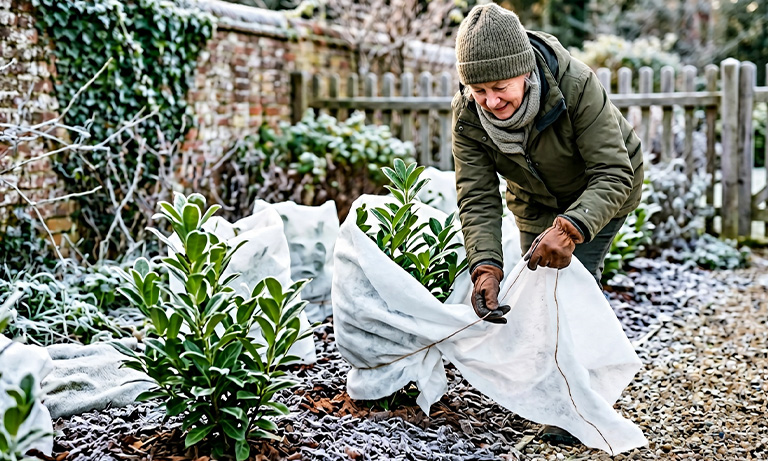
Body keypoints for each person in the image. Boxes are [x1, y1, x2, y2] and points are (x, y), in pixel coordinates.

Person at [451, 3, 644, 445]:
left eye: (500, 87)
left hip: (602, 190)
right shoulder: (467, 116)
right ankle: (548, 388)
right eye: (478, 90)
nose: (491, 101)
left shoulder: (575, 85)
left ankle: (579, 405)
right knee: (536, 296)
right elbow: (477, 198)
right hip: (535, 201)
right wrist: (485, 267)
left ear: (525, 72)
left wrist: (573, 227)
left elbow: (613, 173)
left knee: (573, 289)